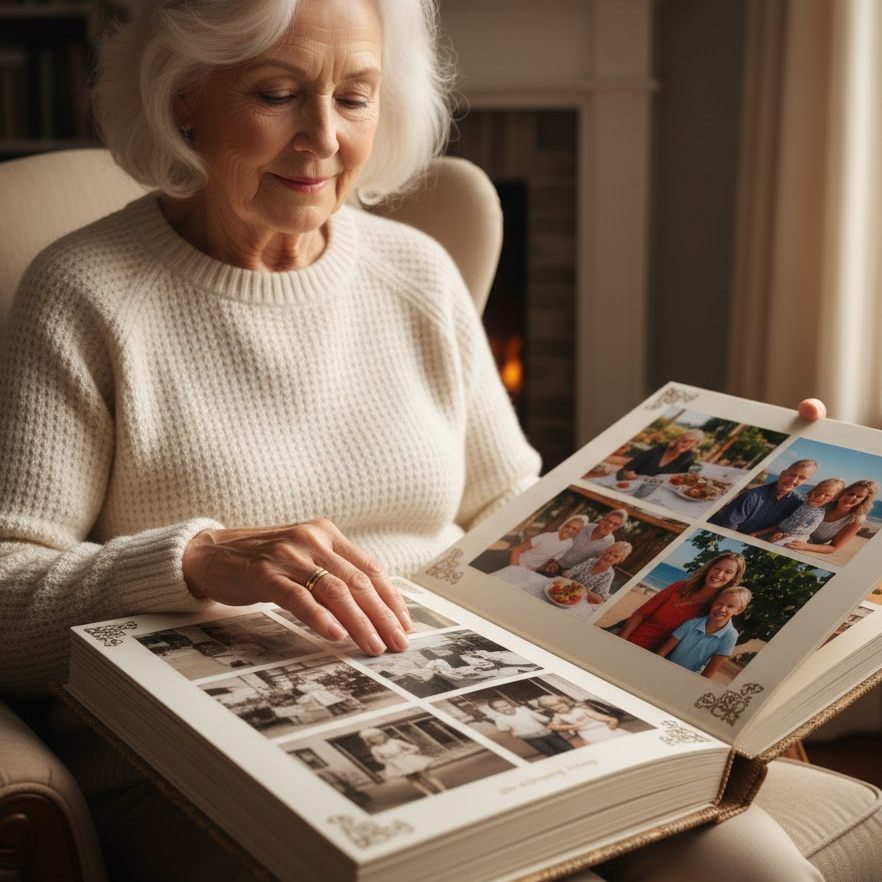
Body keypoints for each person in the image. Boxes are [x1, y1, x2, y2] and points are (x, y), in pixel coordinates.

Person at [0, 0, 868, 876]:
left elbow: (512, 511)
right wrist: (194, 561)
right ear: (183, 95)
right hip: (220, 757)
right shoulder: (85, 293)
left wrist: (742, 488)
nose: (324, 138)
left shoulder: (415, 271)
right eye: (277, 93)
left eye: (354, 98)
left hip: (484, 688)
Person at [618, 552, 746, 652]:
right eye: (717, 568)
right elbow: (641, 613)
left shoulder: (715, 609)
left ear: (733, 578)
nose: (719, 574)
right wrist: (620, 640)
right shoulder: (680, 586)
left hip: (654, 655)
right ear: (709, 569)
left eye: (728, 572)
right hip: (627, 639)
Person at [656, 586, 752, 679]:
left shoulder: (730, 636)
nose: (722, 609)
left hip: (690, 679)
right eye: (719, 603)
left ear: (738, 610)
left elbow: (708, 673)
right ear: (713, 602)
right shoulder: (692, 623)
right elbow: (662, 652)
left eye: (730, 606)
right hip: (665, 667)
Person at [708, 459, 818, 534]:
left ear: (806, 481)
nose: (794, 480)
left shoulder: (798, 503)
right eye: (792, 474)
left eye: (802, 478)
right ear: (783, 474)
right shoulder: (751, 496)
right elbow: (727, 528)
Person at [783, 479, 879, 556]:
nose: (852, 498)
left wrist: (804, 546)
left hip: (803, 546)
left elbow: (833, 547)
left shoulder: (856, 520)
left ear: (864, 500)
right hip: (786, 533)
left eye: (859, 496)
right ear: (844, 492)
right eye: (850, 493)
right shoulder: (825, 501)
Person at [491, 516, 588, 586]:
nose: (571, 531)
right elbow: (517, 550)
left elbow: (552, 558)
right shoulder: (545, 537)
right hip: (518, 564)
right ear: (563, 526)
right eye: (569, 527)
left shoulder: (569, 544)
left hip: (531, 572)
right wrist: (515, 568)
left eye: (576, 530)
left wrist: (549, 565)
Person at [752, 478, 845, 546]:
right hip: (784, 527)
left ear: (833, 499)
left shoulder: (818, 515)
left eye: (827, 495)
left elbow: (802, 531)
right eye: (819, 491)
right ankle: (754, 534)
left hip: (795, 536)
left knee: (779, 544)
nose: (820, 496)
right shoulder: (805, 502)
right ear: (814, 490)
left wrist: (782, 535)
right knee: (761, 532)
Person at [359, 727, 446, 797]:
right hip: (397, 765)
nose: (377, 738)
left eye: (378, 735)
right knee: (413, 779)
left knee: (426, 775)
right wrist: (387, 761)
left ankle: (444, 791)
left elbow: (414, 748)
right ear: (369, 740)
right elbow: (379, 759)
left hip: (410, 760)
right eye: (373, 738)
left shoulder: (394, 742)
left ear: (383, 735)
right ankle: (428, 794)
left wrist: (407, 753)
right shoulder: (375, 749)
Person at [541, 509, 629, 575]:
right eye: (609, 521)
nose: (609, 525)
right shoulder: (584, 527)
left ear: (618, 528)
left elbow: (594, 562)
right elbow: (561, 540)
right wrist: (553, 559)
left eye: (615, 524)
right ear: (603, 519)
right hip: (551, 561)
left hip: (571, 573)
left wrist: (572, 573)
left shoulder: (610, 543)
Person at [487, 697, 575, 757]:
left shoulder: (522, 710)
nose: (505, 708)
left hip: (546, 732)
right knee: (549, 752)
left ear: (510, 704)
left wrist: (550, 721)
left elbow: (540, 718)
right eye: (499, 708)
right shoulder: (500, 719)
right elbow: (505, 729)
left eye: (506, 705)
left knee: (565, 746)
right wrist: (513, 732)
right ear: (495, 710)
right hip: (529, 737)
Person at [616, 428, 705, 481]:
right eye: (684, 440)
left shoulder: (688, 458)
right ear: (678, 439)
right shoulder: (658, 450)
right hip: (631, 483)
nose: (686, 444)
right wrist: (627, 473)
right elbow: (627, 468)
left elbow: (692, 475)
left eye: (691, 442)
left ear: (695, 445)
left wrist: (697, 458)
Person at [563, 541, 633, 605]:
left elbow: (599, 599)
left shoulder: (609, 574)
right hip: (567, 589)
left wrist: (584, 590)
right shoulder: (591, 561)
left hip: (580, 599)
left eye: (616, 556)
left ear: (620, 560)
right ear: (606, 551)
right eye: (610, 553)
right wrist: (567, 575)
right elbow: (569, 572)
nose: (609, 557)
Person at [537, 694, 624, 745]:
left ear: (565, 702)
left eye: (559, 704)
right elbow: (552, 726)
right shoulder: (558, 715)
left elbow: (605, 718)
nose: (557, 707)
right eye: (552, 707)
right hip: (587, 735)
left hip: (603, 730)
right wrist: (571, 727)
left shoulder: (580, 709)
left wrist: (612, 723)